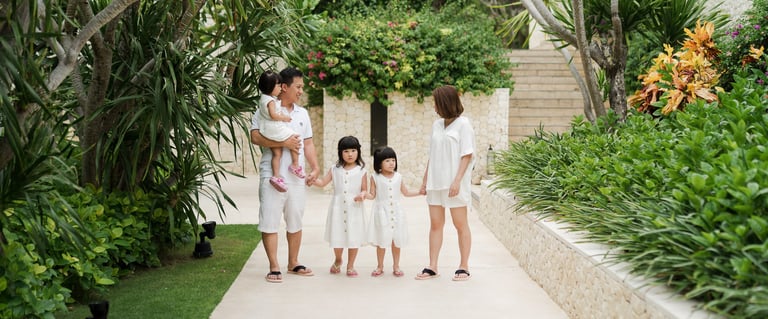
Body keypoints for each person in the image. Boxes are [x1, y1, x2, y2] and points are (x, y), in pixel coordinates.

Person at [250, 67, 320, 283]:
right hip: (272, 174)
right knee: (270, 219)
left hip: (296, 177)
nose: (301, 91)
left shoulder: (302, 113)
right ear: (285, 86)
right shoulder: (266, 108)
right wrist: (282, 142)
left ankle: (293, 262)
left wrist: (315, 168)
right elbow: (255, 137)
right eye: (298, 87)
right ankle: (274, 265)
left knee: (295, 218)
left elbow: (307, 143)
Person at [416, 85, 475, 281]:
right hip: (436, 183)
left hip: (453, 183)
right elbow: (432, 155)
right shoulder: (436, 125)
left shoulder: (464, 124)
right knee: (435, 224)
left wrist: (457, 180)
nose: (434, 107)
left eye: (436, 103)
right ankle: (432, 266)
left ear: (445, 103)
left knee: (460, 224)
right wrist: (425, 180)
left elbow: (467, 155)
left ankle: (464, 266)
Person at [312, 136, 368, 278]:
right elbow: (323, 182)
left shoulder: (361, 170)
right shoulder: (334, 169)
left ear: (358, 152)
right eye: (346, 151)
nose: (350, 154)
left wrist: (362, 195)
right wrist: (312, 180)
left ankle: (351, 265)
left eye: (353, 150)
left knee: (353, 236)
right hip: (337, 208)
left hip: (354, 208)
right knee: (337, 235)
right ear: (340, 153)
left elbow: (364, 189)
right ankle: (338, 258)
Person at [366, 146, 422, 277]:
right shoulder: (375, 177)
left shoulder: (398, 177)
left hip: (397, 213)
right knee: (382, 241)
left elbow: (406, 192)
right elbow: (372, 195)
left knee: (396, 240)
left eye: (393, 160)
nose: (391, 163)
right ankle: (380, 266)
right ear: (379, 163)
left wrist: (420, 192)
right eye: (387, 160)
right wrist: (363, 195)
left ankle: (396, 266)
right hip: (382, 213)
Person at [256, 70, 305, 192]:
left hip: (267, 129)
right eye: (278, 85)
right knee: (294, 137)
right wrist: (284, 118)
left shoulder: (263, 100)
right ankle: (295, 165)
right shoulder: (271, 101)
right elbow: (273, 115)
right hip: (274, 128)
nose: (279, 88)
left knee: (277, 154)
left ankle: (276, 176)